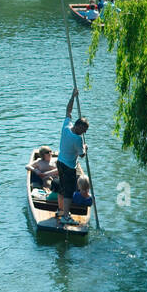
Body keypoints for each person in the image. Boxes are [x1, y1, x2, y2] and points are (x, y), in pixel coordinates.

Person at [57, 90, 89, 225]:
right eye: (83, 130)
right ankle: (65, 217)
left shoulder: (66, 126)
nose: (84, 132)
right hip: (69, 167)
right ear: (78, 127)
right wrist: (85, 148)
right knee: (69, 191)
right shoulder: (78, 140)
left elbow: (68, 111)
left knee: (62, 188)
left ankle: (61, 210)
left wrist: (72, 97)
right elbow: (81, 155)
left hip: (60, 162)